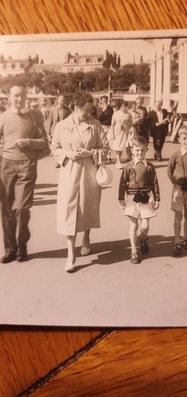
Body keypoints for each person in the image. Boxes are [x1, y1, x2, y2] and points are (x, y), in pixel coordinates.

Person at [51, 92, 108, 272]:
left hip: (89, 172)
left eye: (91, 110)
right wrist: (68, 154)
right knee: (69, 209)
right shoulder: (62, 126)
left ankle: (86, 237)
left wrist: (90, 153)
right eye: (85, 110)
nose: (89, 113)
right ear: (75, 108)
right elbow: (54, 147)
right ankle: (70, 254)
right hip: (69, 172)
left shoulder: (96, 125)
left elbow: (105, 148)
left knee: (87, 207)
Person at [0, 84, 50, 263]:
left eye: (22, 95)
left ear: (26, 96)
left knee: (21, 208)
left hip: (27, 166)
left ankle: (22, 245)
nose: (19, 99)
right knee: (6, 210)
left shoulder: (35, 117)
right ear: (9, 97)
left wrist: (28, 142)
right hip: (6, 166)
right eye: (15, 96)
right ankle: (9, 249)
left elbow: (45, 143)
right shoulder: (3, 117)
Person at [118, 136, 160, 264]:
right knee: (134, 225)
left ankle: (143, 239)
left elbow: (155, 183)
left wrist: (157, 198)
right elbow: (122, 183)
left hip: (146, 198)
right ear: (132, 150)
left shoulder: (150, 167)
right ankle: (134, 252)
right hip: (131, 198)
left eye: (142, 150)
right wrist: (121, 198)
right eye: (137, 150)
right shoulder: (128, 166)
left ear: (146, 150)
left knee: (145, 226)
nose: (139, 153)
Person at [167, 125, 187, 256]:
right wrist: (176, 182)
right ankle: (177, 241)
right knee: (178, 215)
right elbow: (170, 170)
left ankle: (185, 239)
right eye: (184, 138)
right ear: (179, 139)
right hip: (178, 189)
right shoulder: (175, 155)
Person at [110, 101, 132, 168]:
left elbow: (130, 124)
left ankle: (118, 161)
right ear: (120, 106)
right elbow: (112, 124)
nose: (124, 108)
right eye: (123, 106)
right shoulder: (116, 114)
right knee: (118, 147)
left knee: (122, 147)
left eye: (125, 106)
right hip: (117, 131)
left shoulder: (128, 114)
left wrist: (127, 127)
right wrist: (113, 134)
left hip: (125, 132)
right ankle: (118, 161)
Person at [98, 95, 113, 163]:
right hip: (102, 126)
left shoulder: (110, 109)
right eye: (103, 101)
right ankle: (102, 157)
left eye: (106, 101)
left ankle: (108, 157)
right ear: (101, 101)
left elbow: (112, 117)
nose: (105, 102)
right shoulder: (99, 108)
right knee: (102, 142)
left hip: (109, 126)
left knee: (109, 141)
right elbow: (98, 118)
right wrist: (103, 111)